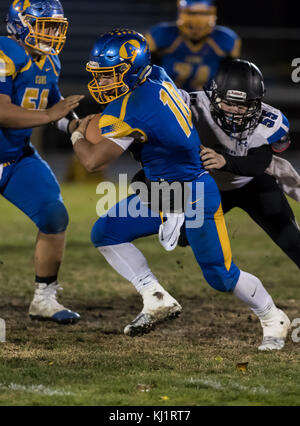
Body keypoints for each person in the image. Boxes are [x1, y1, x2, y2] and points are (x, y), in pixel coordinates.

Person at [70, 29, 290, 351]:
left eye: (110, 75)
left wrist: (75, 133)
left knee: (221, 276)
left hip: (193, 194)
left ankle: (273, 317)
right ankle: (155, 296)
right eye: (99, 75)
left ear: (132, 69)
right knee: (106, 232)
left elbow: (92, 161)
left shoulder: (134, 106)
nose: (102, 83)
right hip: (163, 193)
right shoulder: (156, 75)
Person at [0, 0, 82, 324]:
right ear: (20, 24)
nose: (50, 33)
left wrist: (73, 124)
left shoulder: (50, 62)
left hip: (17, 157)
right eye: (43, 25)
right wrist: (50, 115)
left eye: (55, 27)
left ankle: (44, 299)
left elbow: (52, 103)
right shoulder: (5, 52)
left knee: (53, 214)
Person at [176, 59, 300, 270]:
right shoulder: (191, 105)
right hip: (209, 188)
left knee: (293, 242)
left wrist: (225, 161)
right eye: (229, 103)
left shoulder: (269, 120)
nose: (234, 111)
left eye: (243, 106)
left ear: (257, 103)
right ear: (214, 95)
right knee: (182, 236)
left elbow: (259, 162)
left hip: (253, 185)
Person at [145, 0, 241, 92]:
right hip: (168, 99)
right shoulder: (162, 34)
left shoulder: (225, 39)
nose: (198, 19)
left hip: (208, 103)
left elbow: (231, 79)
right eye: (192, 13)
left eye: (203, 13)